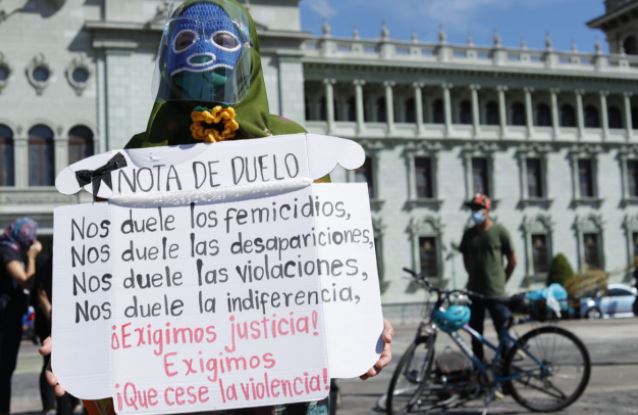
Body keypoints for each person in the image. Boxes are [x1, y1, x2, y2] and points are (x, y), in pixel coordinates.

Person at [40, 1, 393, 414]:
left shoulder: (295, 150)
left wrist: (361, 329)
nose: (201, 53)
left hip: (280, 391)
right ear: (168, 56)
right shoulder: (135, 160)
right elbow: (109, 284)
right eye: (185, 40)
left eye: (222, 39)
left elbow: (331, 271)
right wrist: (79, 354)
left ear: (248, 55)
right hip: (171, 388)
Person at [459, 194, 516, 362]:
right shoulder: (469, 234)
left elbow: (512, 260)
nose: (475, 212)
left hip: (496, 292)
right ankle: (479, 371)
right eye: (472, 209)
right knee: (476, 334)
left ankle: (506, 372)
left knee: (503, 333)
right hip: (474, 292)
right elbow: (465, 257)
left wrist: (501, 280)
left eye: (478, 208)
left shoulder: (499, 231)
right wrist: (472, 275)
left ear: (487, 210)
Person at [0, 217, 41, 415]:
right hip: (4, 324)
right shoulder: (7, 251)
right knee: (3, 373)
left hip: (10, 321)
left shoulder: (12, 249)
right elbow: (26, 280)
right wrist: (32, 257)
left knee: (5, 372)